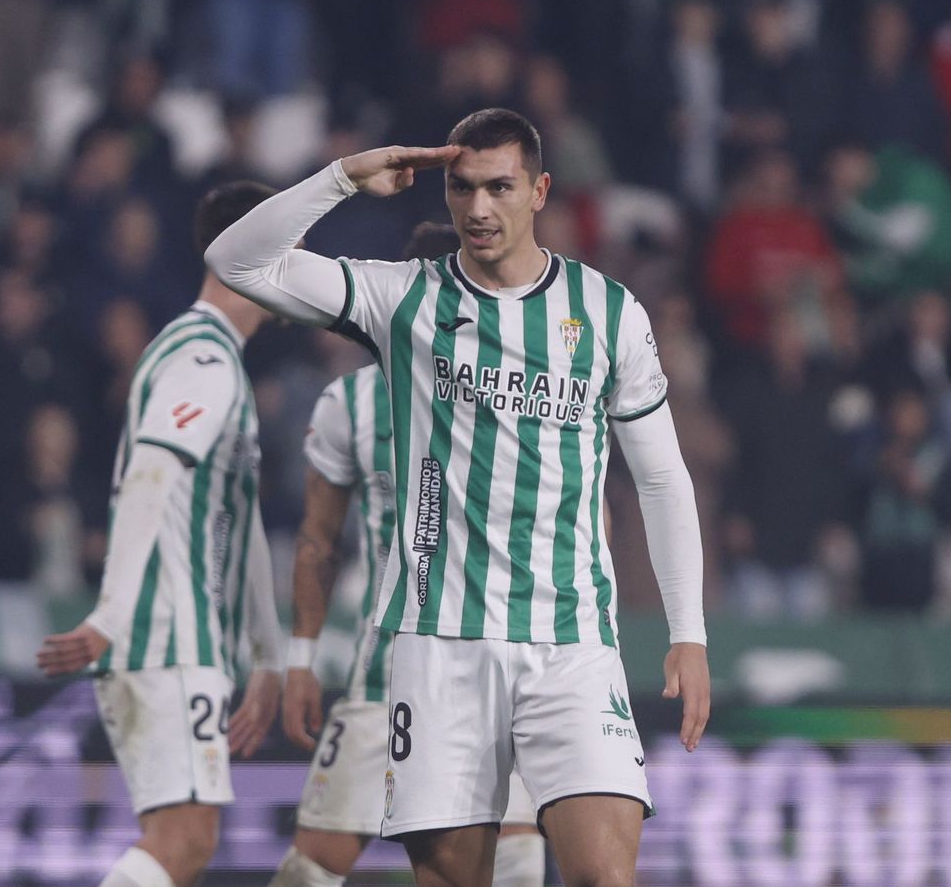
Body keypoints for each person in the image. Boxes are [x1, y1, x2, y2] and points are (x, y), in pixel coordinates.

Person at [206, 108, 709, 887]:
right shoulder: (401, 299)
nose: (478, 208)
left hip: (570, 643)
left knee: (608, 877)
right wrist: (345, 176)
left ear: (539, 190)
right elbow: (235, 261)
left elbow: (662, 477)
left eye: (499, 187)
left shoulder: (607, 312)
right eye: (462, 188)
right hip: (440, 648)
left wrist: (690, 631)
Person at [271, 224, 544, 887]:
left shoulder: (521, 389)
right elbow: (318, 539)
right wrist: (302, 657)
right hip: (389, 667)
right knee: (316, 859)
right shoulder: (352, 403)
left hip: (497, 655)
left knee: (508, 846)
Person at [35, 182, 285, 887]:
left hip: (179, 633)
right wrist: (111, 615)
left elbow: (245, 526)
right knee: (183, 839)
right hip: (162, 631)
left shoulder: (214, 358)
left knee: (185, 841)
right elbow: (151, 469)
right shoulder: (202, 357)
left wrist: (266, 655)